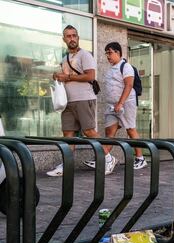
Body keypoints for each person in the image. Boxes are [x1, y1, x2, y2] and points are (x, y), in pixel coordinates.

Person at [47, 25, 117, 176]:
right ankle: (67, 164)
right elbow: (66, 78)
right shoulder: (64, 59)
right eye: (68, 36)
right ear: (64, 39)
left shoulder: (85, 55)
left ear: (78, 38)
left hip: (84, 99)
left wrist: (68, 77)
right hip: (68, 101)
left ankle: (108, 158)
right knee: (68, 134)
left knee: (89, 131)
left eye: (74, 35)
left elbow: (90, 76)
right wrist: (58, 76)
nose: (71, 38)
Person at [84, 42, 147, 170]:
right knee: (109, 133)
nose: (108, 56)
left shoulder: (126, 67)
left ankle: (140, 159)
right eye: (106, 53)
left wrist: (120, 103)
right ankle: (103, 159)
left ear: (118, 52)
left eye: (110, 52)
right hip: (112, 106)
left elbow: (129, 85)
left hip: (126, 103)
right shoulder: (111, 69)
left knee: (130, 129)